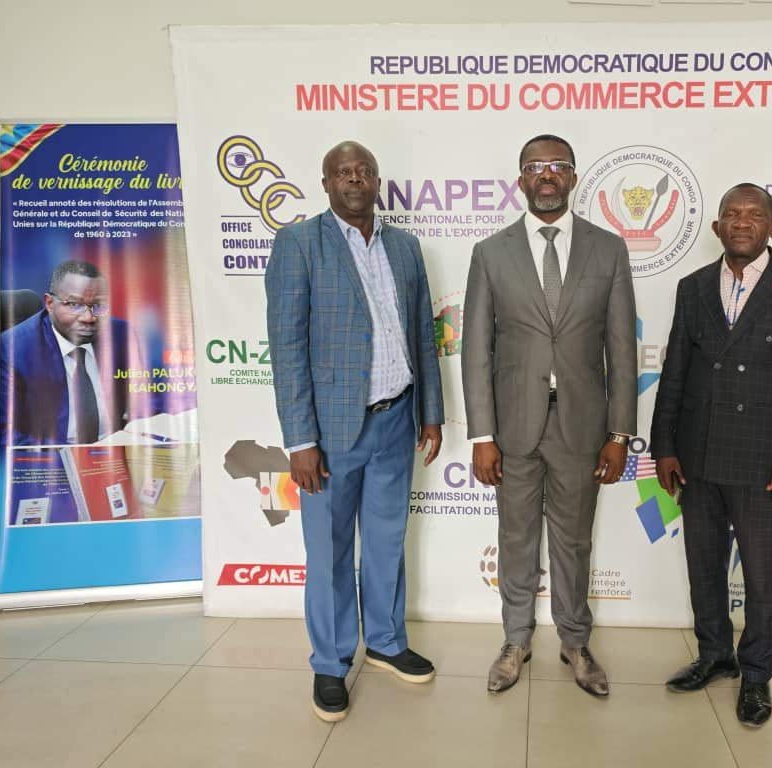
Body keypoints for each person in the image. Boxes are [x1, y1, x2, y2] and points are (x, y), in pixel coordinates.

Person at [265, 140, 444, 723]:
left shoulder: (404, 246)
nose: (354, 179)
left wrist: (431, 411)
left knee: (388, 540)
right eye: (343, 172)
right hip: (330, 433)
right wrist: (300, 442)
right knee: (330, 551)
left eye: (364, 171)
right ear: (326, 183)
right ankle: (331, 661)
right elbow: (287, 347)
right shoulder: (299, 244)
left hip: (396, 419)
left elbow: (422, 334)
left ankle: (387, 641)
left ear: (376, 181)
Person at [650, 183, 772, 727]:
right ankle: (714, 656)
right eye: (731, 213)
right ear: (717, 227)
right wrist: (665, 446)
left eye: (755, 214)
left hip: (764, 461)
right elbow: (675, 373)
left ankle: (755, 673)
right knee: (704, 566)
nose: (742, 221)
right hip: (697, 454)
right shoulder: (693, 287)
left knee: (763, 576)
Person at [462, 134, 637, 697]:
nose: (546, 174)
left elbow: (622, 351)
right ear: (520, 180)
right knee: (515, 537)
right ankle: (515, 640)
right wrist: (482, 435)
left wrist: (619, 433)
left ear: (573, 177)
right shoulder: (491, 253)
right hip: (512, 427)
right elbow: (475, 351)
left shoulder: (608, 250)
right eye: (535, 166)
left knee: (574, 540)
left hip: (582, 427)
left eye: (557, 165)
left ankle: (575, 642)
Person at [0, 260, 135, 446]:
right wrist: (69, 457)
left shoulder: (122, 334)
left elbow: (150, 396)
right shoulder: (12, 350)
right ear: (49, 303)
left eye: (99, 306)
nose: (88, 318)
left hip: (114, 450)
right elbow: (2, 432)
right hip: (53, 456)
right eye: (74, 304)